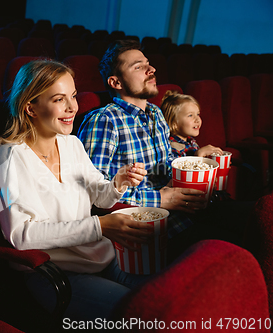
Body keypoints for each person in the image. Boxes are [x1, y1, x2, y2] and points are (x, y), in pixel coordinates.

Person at [0, 59, 152, 322]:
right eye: (59, 99)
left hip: (103, 257)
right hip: (55, 273)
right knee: (141, 314)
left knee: (169, 296)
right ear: (30, 107)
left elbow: (99, 194)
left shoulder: (72, 144)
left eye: (73, 96)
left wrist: (117, 183)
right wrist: (99, 227)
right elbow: (20, 235)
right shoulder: (8, 157)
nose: (72, 108)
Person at [77, 39, 251, 255]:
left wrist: (195, 163)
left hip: (189, 209)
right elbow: (93, 193)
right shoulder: (105, 121)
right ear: (116, 82)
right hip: (158, 227)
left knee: (258, 217)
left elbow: (166, 165)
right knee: (242, 248)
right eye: (138, 67)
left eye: (148, 63)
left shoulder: (156, 113)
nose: (152, 69)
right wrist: (161, 198)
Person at [160, 90, 223, 158]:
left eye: (198, 114)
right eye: (190, 115)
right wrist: (199, 154)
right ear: (174, 123)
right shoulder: (171, 147)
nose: (198, 119)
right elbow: (181, 168)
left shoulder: (191, 141)